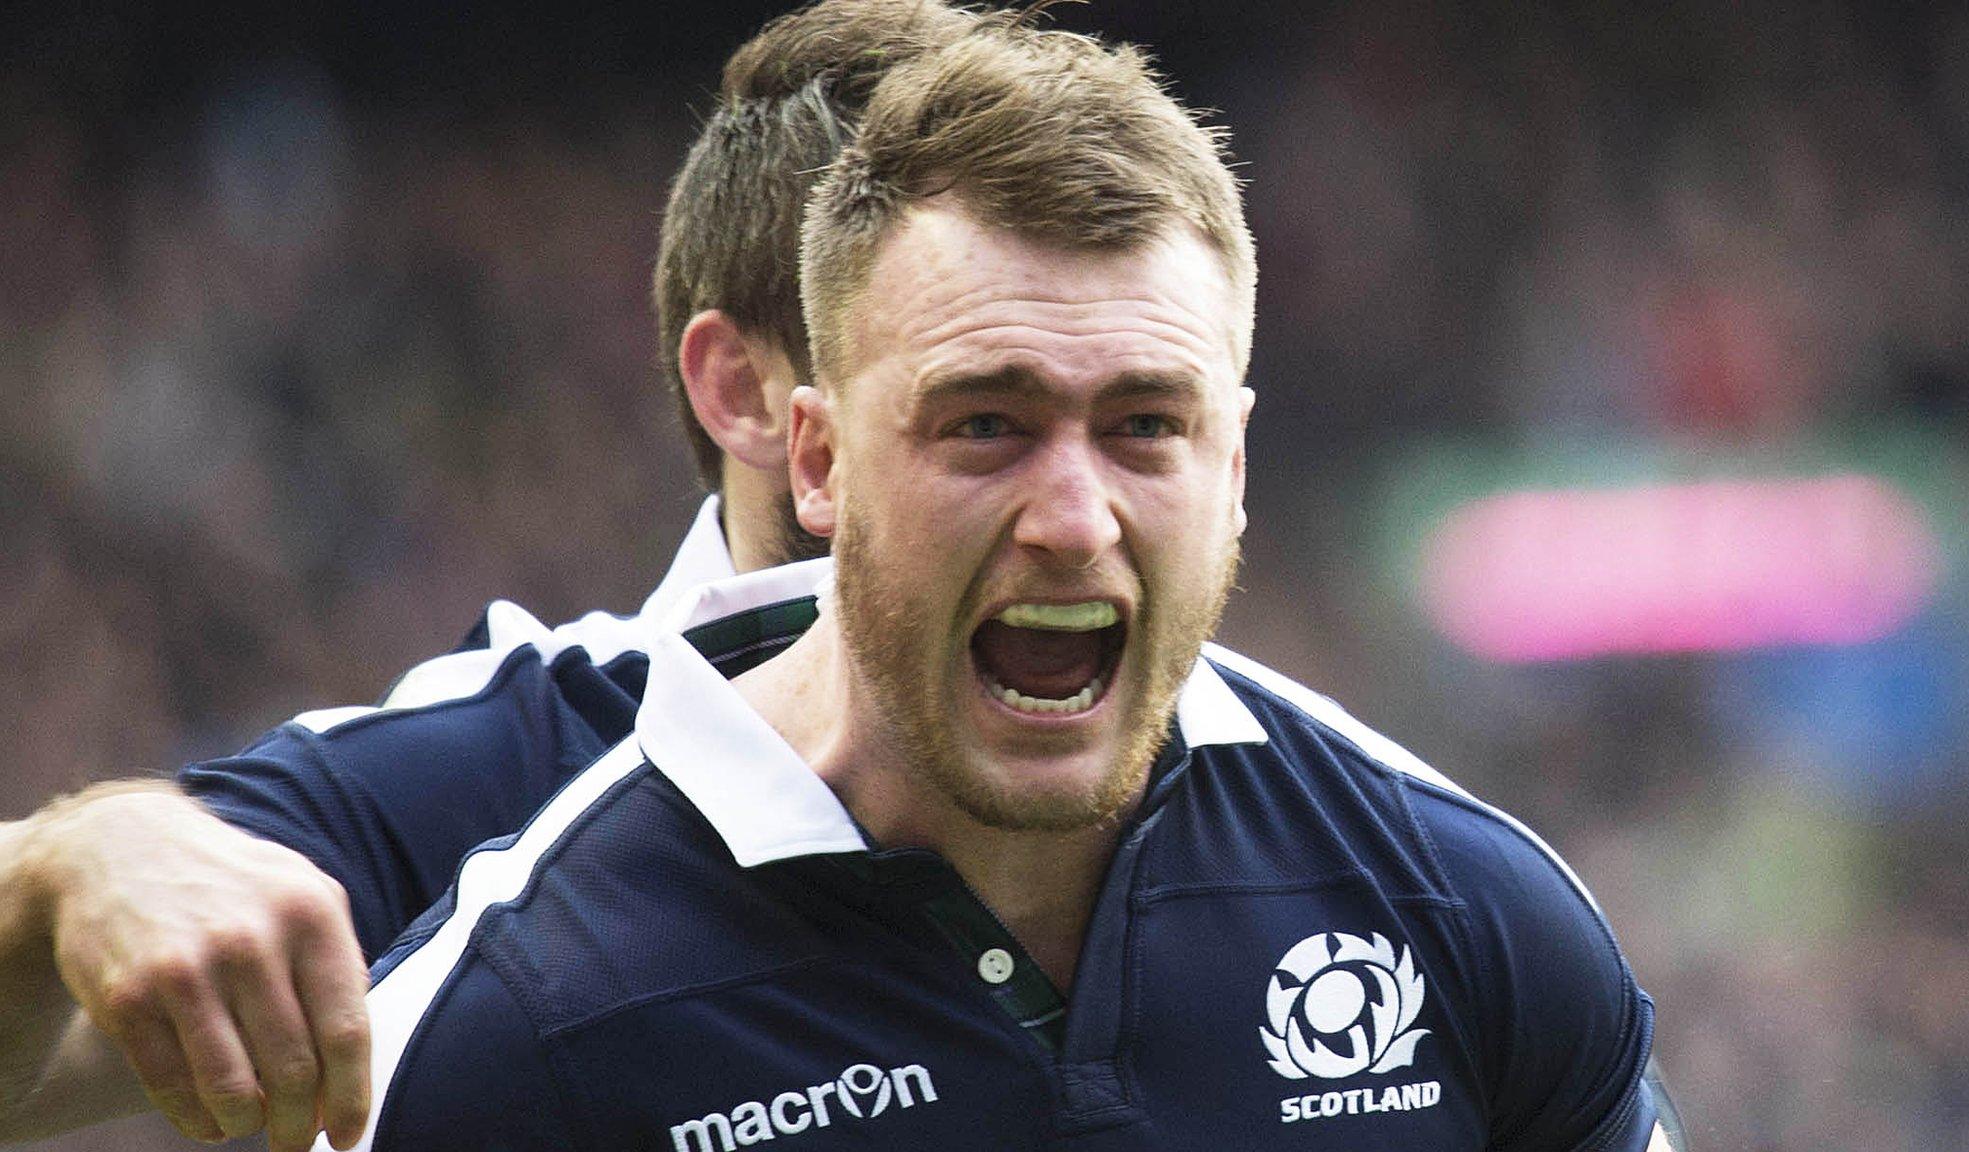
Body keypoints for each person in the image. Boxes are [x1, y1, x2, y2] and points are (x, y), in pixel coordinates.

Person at [339, 15, 1675, 1150]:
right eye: (987, 423)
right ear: (818, 460)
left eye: (1147, 425)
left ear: (1236, 465)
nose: (1075, 518)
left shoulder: (1464, 916)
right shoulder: (522, 1027)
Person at [0, 3, 977, 1149]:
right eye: (974, 397)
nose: (1067, 499)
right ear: (749, 395)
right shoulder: (500, 774)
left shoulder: (1224, 757)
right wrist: (62, 866)